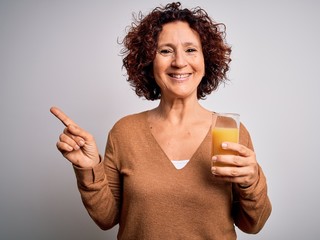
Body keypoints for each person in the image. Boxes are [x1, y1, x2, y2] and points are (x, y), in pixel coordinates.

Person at [50, 2, 271, 239]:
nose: (179, 62)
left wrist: (251, 182)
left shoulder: (230, 131)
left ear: (206, 60)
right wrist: (88, 168)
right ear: (148, 62)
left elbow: (252, 225)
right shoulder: (125, 132)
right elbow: (106, 219)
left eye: (190, 50)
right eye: (165, 51)